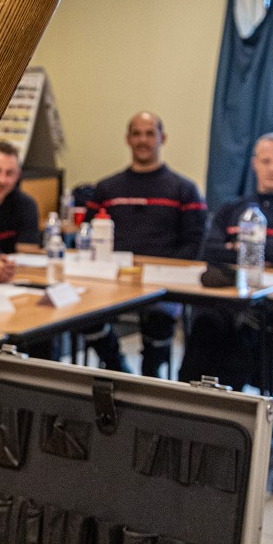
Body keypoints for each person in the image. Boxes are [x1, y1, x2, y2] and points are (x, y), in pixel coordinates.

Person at [178, 133, 273, 389]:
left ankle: (237, 418)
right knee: (205, 328)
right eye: (266, 161)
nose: (272, 169)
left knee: (246, 332)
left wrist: (236, 248)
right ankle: (192, 408)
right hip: (224, 300)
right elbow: (210, 252)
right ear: (254, 163)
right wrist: (262, 254)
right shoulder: (230, 208)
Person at [84, 112, 208, 375]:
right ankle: (118, 368)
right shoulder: (107, 188)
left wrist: (168, 274)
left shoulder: (184, 189)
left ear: (162, 138)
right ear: (128, 139)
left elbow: (195, 242)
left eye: (150, 133)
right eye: (137, 133)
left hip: (165, 284)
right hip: (112, 280)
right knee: (82, 316)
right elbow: (89, 234)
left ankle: (151, 380)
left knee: (159, 323)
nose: (143, 140)